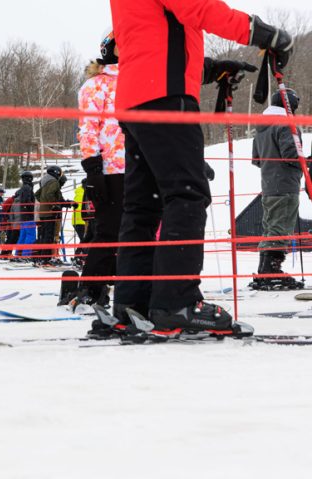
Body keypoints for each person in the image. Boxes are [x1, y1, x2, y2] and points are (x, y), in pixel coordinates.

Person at [109, 0, 291, 334]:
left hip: (136, 98)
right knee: (187, 196)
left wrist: (209, 68)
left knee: (143, 206)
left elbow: (154, 40)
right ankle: (177, 301)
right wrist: (263, 33)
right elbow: (200, 8)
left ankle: (132, 302)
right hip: (167, 97)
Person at [68, 35, 125, 308]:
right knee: (108, 230)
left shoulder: (139, 80)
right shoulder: (96, 85)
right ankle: (91, 287)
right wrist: (92, 168)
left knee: (138, 231)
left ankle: (132, 286)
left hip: (139, 167)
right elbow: (88, 127)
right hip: (110, 169)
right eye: (121, 44)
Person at [250, 89, 304, 291]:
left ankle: (265, 269)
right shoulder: (285, 124)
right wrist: (305, 162)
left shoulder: (261, 128)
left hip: (269, 183)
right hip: (285, 184)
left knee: (271, 226)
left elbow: (256, 159)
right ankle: (271, 270)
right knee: (280, 226)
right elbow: (291, 154)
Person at [35, 166, 66, 265]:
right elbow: (49, 195)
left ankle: (41, 257)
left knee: (43, 235)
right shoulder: (54, 182)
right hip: (49, 213)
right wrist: (54, 205)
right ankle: (46, 259)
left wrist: (44, 204)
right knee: (48, 236)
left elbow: (37, 194)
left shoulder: (44, 182)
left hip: (43, 212)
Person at [13, 171, 36, 261]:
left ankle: (18, 254)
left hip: (23, 217)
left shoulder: (23, 188)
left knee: (23, 236)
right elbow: (26, 201)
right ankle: (26, 255)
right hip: (28, 216)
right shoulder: (27, 188)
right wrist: (32, 207)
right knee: (30, 236)